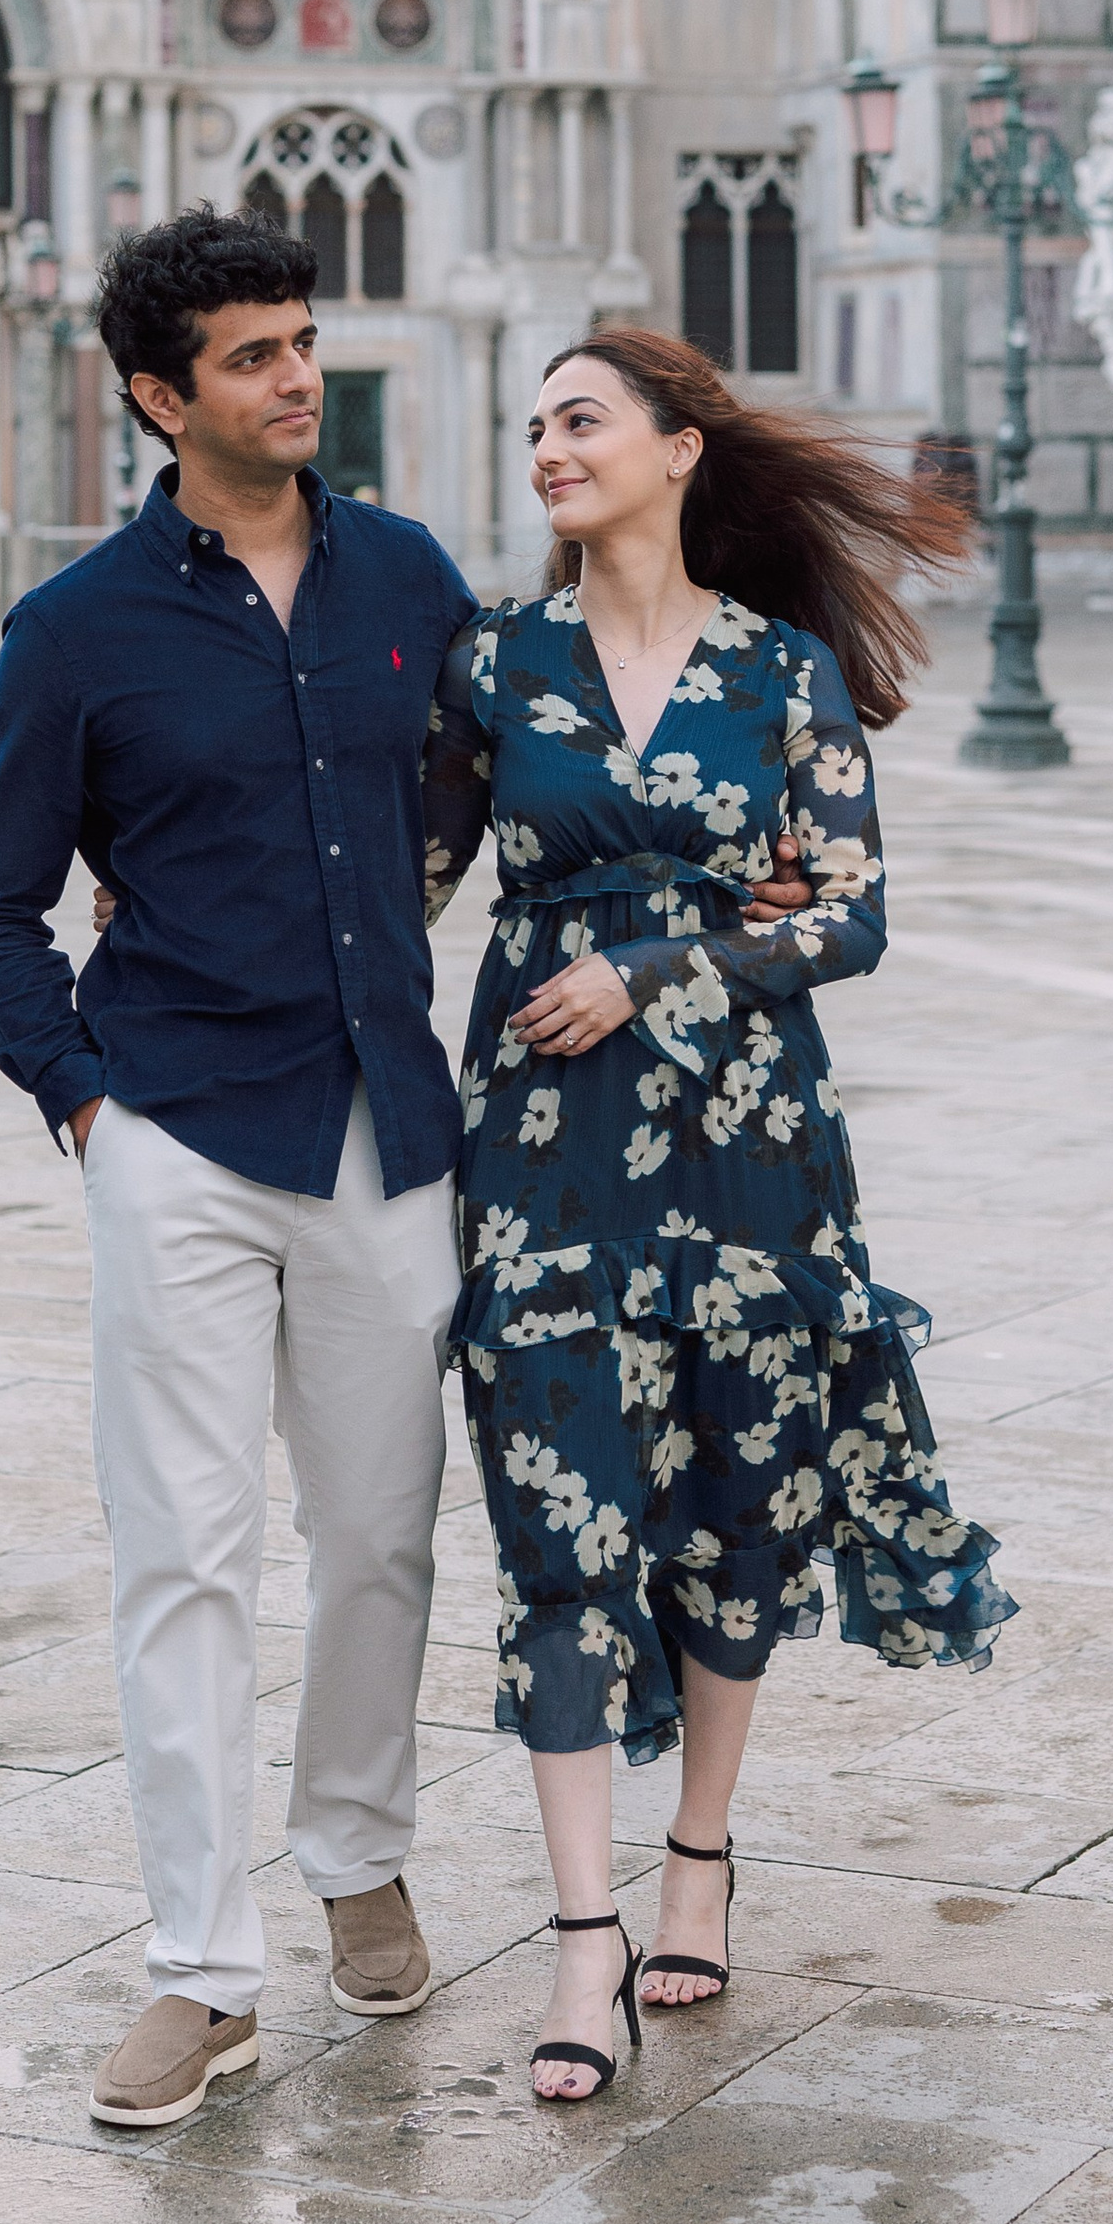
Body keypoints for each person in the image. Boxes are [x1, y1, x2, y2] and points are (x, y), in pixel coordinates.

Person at [418, 329, 1016, 2102]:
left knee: (740, 1501)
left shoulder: (785, 674)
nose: (546, 449)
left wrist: (658, 963)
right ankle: (583, 1930)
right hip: (536, 1144)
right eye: (531, 428)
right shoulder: (492, 666)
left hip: (748, 1146)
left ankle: (702, 1854)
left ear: (680, 450)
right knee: (557, 1507)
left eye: (580, 420)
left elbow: (851, 915)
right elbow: (402, 882)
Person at [0, 209, 476, 2131]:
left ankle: (357, 1848)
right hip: (174, 1133)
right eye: (252, 356)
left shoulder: (409, 577)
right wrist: (86, 1102)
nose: (296, 377)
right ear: (162, 398)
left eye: (302, 341)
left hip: (384, 1139)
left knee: (383, 1532)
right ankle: (199, 1968)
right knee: (183, 1557)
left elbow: (501, 783)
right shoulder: (78, 632)